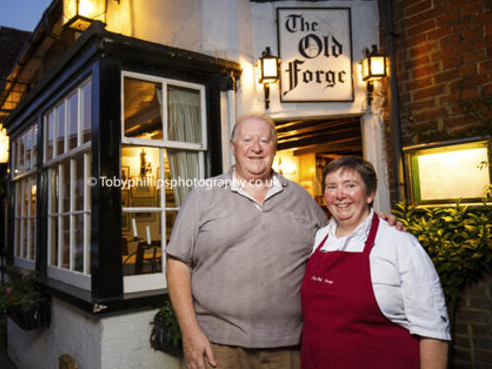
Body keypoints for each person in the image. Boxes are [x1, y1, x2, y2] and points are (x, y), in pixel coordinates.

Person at [166, 114, 402, 369]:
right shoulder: (204, 195)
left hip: (289, 347)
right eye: (247, 140)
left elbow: (336, 239)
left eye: (264, 141)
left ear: (274, 149)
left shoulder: (300, 197)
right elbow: (177, 263)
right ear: (233, 147)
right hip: (218, 346)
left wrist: (369, 218)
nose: (256, 148)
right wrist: (190, 334)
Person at [300, 157, 450, 369]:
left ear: (370, 194)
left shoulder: (399, 243)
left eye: (350, 185)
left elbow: (432, 328)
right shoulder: (319, 238)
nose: (340, 195)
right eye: (331, 187)